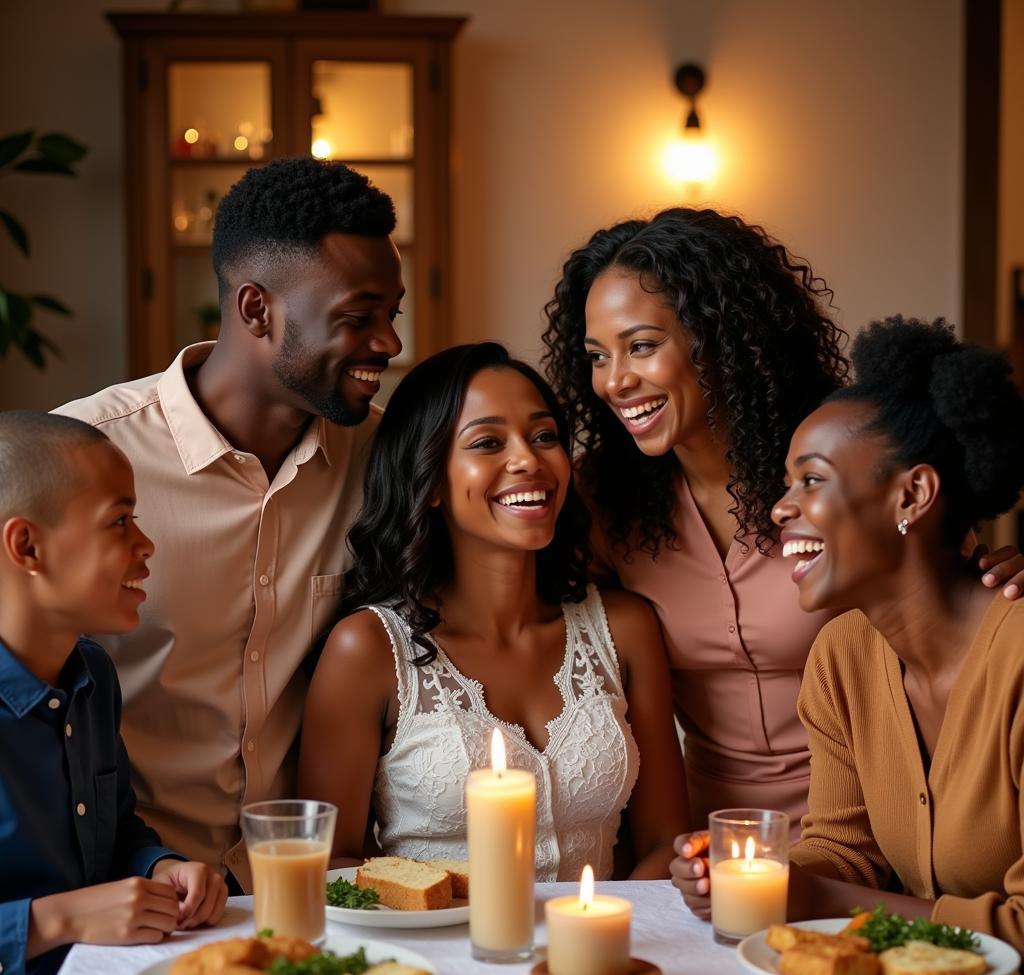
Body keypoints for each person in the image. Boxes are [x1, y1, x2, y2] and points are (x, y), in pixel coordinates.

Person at [542, 207, 1024, 832]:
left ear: (721, 334)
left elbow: (953, 608)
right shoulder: (603, 501)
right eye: (597, 356)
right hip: (710, 840)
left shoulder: (843, 466)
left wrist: (1003, 580)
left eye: (640, 346)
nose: (615, 381)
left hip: (877, 832)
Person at [56, 158, 404, 891]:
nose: (388, 344)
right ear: (256, 310)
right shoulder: (82, 458)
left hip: (314, 883)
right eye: (357, 317)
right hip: (133, 888)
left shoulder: (383, 459)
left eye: (391, 315)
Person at [671, 318, 1024, 953]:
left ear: (912, 495)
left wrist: (823, 899)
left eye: (810, 480)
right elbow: (846, 849)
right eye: (787, 482)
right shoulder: (842, 656)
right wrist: (763, 875)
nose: (780, 508)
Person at [297, 343, 689, 880]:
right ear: (430, 480)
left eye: (544, 436)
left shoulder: (624, 629)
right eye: (486, 442)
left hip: (599, 953)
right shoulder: (366, 649)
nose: (529, 459)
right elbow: (328, 865)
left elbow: (665, 844)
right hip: (438, 956)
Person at [0, 413, 227, 975]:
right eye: (120, 522)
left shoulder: (93, 677)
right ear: (27, 546)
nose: (146, 545)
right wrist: (58, 919)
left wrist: (163, 868)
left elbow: (116, 833)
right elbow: (73, 911)